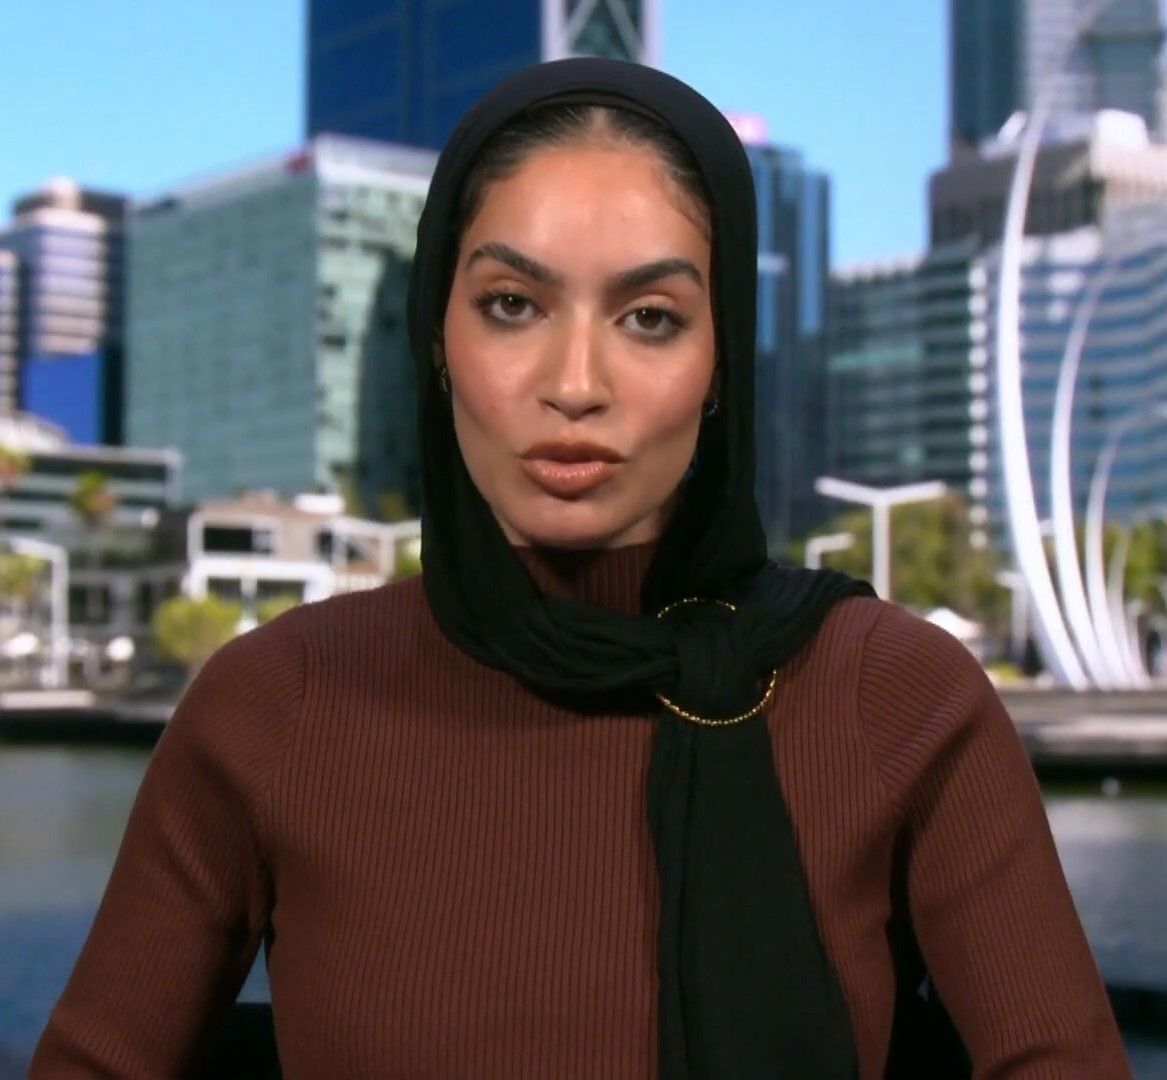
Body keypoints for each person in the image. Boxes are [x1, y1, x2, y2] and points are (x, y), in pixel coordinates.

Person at [31, 59, 1128, 1078]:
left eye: (650, 318)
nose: (574, 383)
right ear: (436, 338)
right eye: (512, 305)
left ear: (720, 360)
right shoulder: (276, 702)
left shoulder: (899, 697)